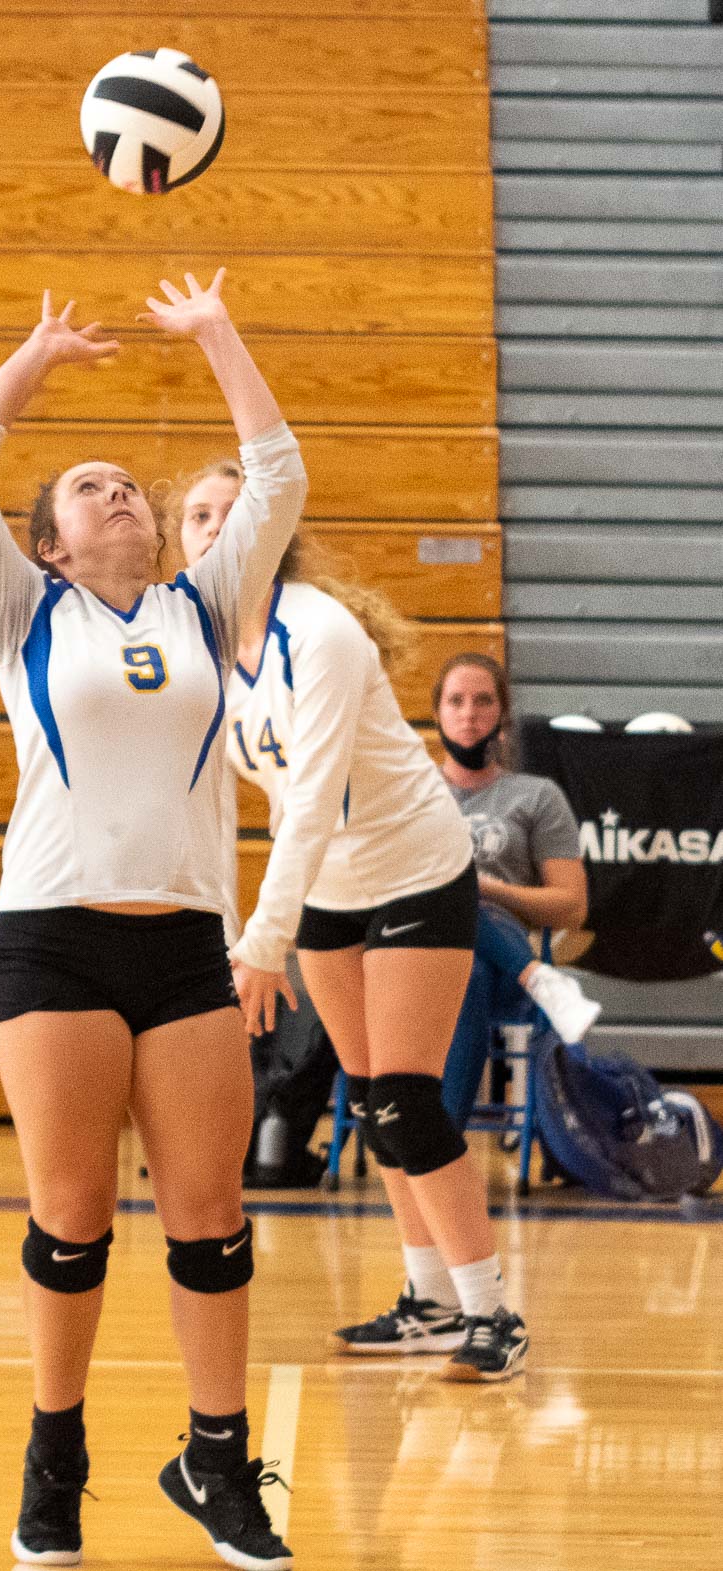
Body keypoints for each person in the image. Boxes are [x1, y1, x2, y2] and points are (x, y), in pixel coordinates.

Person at [0, 271, 307, 1571]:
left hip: (184, 945)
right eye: (90, 490)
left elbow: (277, 475)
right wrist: (34, 355)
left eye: (128, 485)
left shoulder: (207, 602)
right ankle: (55, 1455)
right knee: (73, 1212)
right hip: (53, 940)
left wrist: (216, 334)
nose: (120, 495)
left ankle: (214, 1459)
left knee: (209, 1212)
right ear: (51, 544)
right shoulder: (26, 612)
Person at [175, 470, 528, 1382]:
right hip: (326, 888)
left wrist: (263, 942)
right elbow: (226, 804)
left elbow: (314, 800)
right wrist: (232, 930)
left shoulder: (319, 631)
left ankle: (493, 1313)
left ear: (271, 528)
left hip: (414, 871)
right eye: (197, 516)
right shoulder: (202, 651)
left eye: (230, 513)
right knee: (371, 1104)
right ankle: (428, 1305)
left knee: (406, 1097)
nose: (212, 528)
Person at [433, 654, 600, 1132]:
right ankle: (543, 981)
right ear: (437, 712)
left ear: (503, 714)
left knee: (471, 968)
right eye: (456, 701)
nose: (469, 714)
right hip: (416, 950)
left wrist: (492, 890)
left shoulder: (537, 795)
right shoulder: (412, 790)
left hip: (497, 962)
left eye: (483, 701)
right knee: (448, 900)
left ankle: (441, 1142)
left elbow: (572, 905)